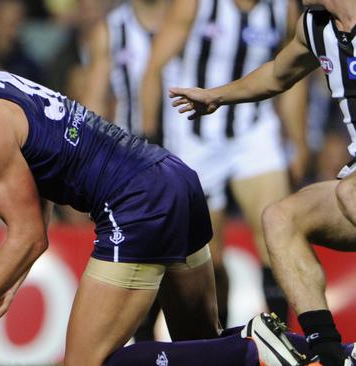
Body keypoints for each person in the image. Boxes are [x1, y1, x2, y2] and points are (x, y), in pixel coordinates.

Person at [0, 9, 311, 365]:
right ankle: (314, 350)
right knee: (199, 348)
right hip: (173, 177)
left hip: (134, 202)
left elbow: (28, 234)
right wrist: (7, 283)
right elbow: (36, 204)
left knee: (87, 362)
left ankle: (254, 345)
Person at [169, 1, 356, 364]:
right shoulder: (314, 27)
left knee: (350, 192)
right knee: (280, 218)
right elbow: (276, 74)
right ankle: (328, 354)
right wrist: (215, 96)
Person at [141, 0, 307, 325]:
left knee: (277, 231)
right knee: (209, 259)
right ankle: (222, 340)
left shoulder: (283, 7)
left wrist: (298, 139)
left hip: (253, 129)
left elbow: (291, 72)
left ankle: (284, 337)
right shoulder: (196, 4)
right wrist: (149, 137)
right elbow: (154, 66)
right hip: (195, 135)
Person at [80, 0, 174, 340]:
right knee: (143, 258)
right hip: (133, 160)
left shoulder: (189, 13)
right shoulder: (109, 29)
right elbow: (93, 97)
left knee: (202, 261)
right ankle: (147, 346)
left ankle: (209, 347)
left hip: (192, 152)